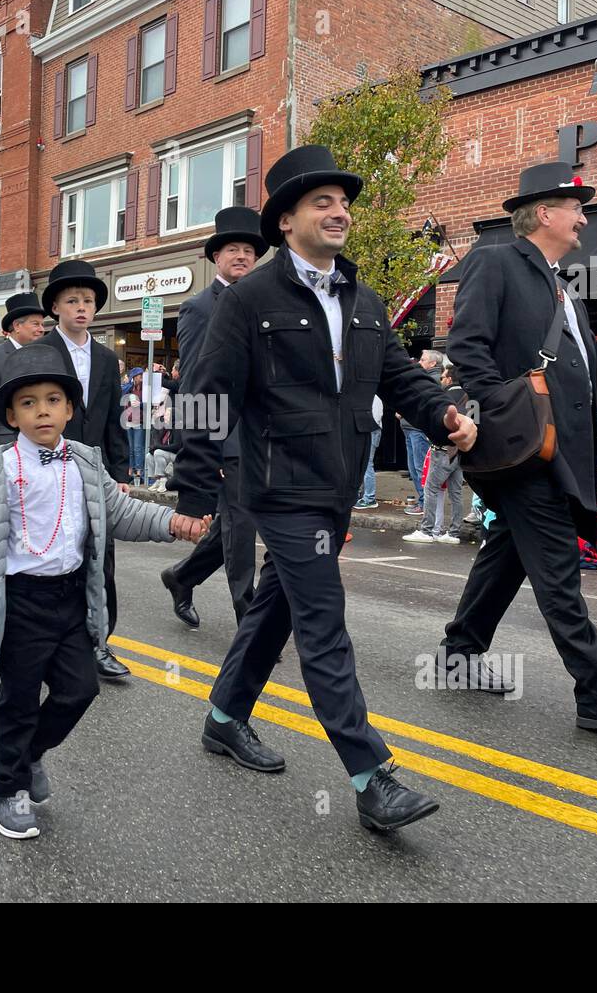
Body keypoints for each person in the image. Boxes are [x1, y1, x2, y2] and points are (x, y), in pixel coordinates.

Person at [171, 144, 477, 834]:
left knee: (277, 605)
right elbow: (202, 395)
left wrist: (444, 413)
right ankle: (371, 775)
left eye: (343, 202)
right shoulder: (250, 299)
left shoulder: (364, 298)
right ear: (285, 220)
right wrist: (193, 492)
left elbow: (396, 377)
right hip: (276, 488)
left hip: (336, 483)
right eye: (322, 202)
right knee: (323, 622)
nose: (339, 211)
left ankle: (223, 718)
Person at [444, 160, 597, 731]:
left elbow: (591, 365)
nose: (584, 219)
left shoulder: (563, 289)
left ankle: (459, 656)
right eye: (577, 208)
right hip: (522, 447)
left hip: (558, 451)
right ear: (544, 213)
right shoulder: (496, 261)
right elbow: (468, 347)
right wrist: (496, 418)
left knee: (505, 554)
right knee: (558, 572)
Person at [0, 346, 207, 839]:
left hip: (71, 598)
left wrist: (175, 523)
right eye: (28, 403)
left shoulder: (87, 463)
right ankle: (4, 790)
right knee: (20, 700)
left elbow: (121, 513)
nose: (43, 410)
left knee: (80, 689)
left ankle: (29, 757)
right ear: (12, 415)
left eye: (54, 400)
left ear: (70, 410)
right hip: (20, 599)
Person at [162, 210, 268, 629]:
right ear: (217, 257)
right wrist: (203, 448)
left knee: (236, 521)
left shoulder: (264, 301)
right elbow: (193, 381)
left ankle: (181, 576)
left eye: (248, 250)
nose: (241, 256)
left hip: (263, 435)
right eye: (233, 250)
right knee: (240, 525)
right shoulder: (198, 308)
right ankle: (251, 618)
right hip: (224, 436)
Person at [35, 260, 131, 681]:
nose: (81, 307)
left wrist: (121, 472)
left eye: (88, 301)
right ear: (55, 306)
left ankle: (99, 642)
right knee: (56, 556)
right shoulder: (41, 352)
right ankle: (47, 642)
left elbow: (114, 419)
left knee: (101, 557)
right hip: (50, 468)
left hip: (96, 472)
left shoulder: (108, 359)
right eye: (72, 300)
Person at [0, 293, 46, 455]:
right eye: (36, 324)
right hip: (4, 446)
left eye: (42, 324)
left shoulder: (44, 357)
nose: (42, 329)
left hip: (39, 445)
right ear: (17, 326)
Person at [403, 363, 466, 544]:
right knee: (456, 492)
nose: (442, 379)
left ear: (449, 378)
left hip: (443, 449)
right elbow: (476, 422)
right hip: (461, 450)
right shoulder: (471, 398)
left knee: (431, 488)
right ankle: (454, 532)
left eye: (443, 376)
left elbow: (433, 423)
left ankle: (427, 530)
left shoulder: (444, 397)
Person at [397, 349, 443, 515]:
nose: (419, 363)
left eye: (423, 360)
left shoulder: (431, 379)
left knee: (420, 468)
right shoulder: (425, 378)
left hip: (418, 429)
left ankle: (425, 503)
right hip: (411, 429)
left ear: (432, 363)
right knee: (415, 468)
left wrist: (405, 410)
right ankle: (423, 501)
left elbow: (422, 401)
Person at [354, 394, 383, 509]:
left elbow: (374, 418)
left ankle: (370, 498)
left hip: (370, 432)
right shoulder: (370, 396)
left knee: (367, 464)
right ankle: (364, 495)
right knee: (363, 464)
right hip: (367, 431)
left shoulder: (374, 397)